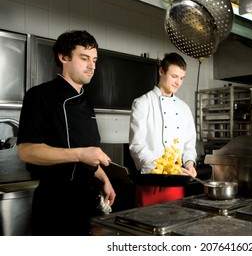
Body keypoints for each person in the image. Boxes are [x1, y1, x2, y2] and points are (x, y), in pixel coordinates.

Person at [17, 30, 116, 236]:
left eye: (95, 60)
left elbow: (89, 155)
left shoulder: (86, 102)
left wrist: (104, 179)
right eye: (84, 58)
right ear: (64, 57)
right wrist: (80, 154)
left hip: (88, 201)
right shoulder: (39, 96)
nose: (92, 66)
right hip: (56, 204)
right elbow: (27, 151)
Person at [129, 52, 197, 207]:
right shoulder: (142, 103)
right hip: (150, 184)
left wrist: (189, 164)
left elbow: (189, 145)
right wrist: (167, 169)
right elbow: (137, 146)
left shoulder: (184, 108)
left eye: (181, 78)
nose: (178, 82)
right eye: (174, 76)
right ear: (161, 71)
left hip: (175, 186)